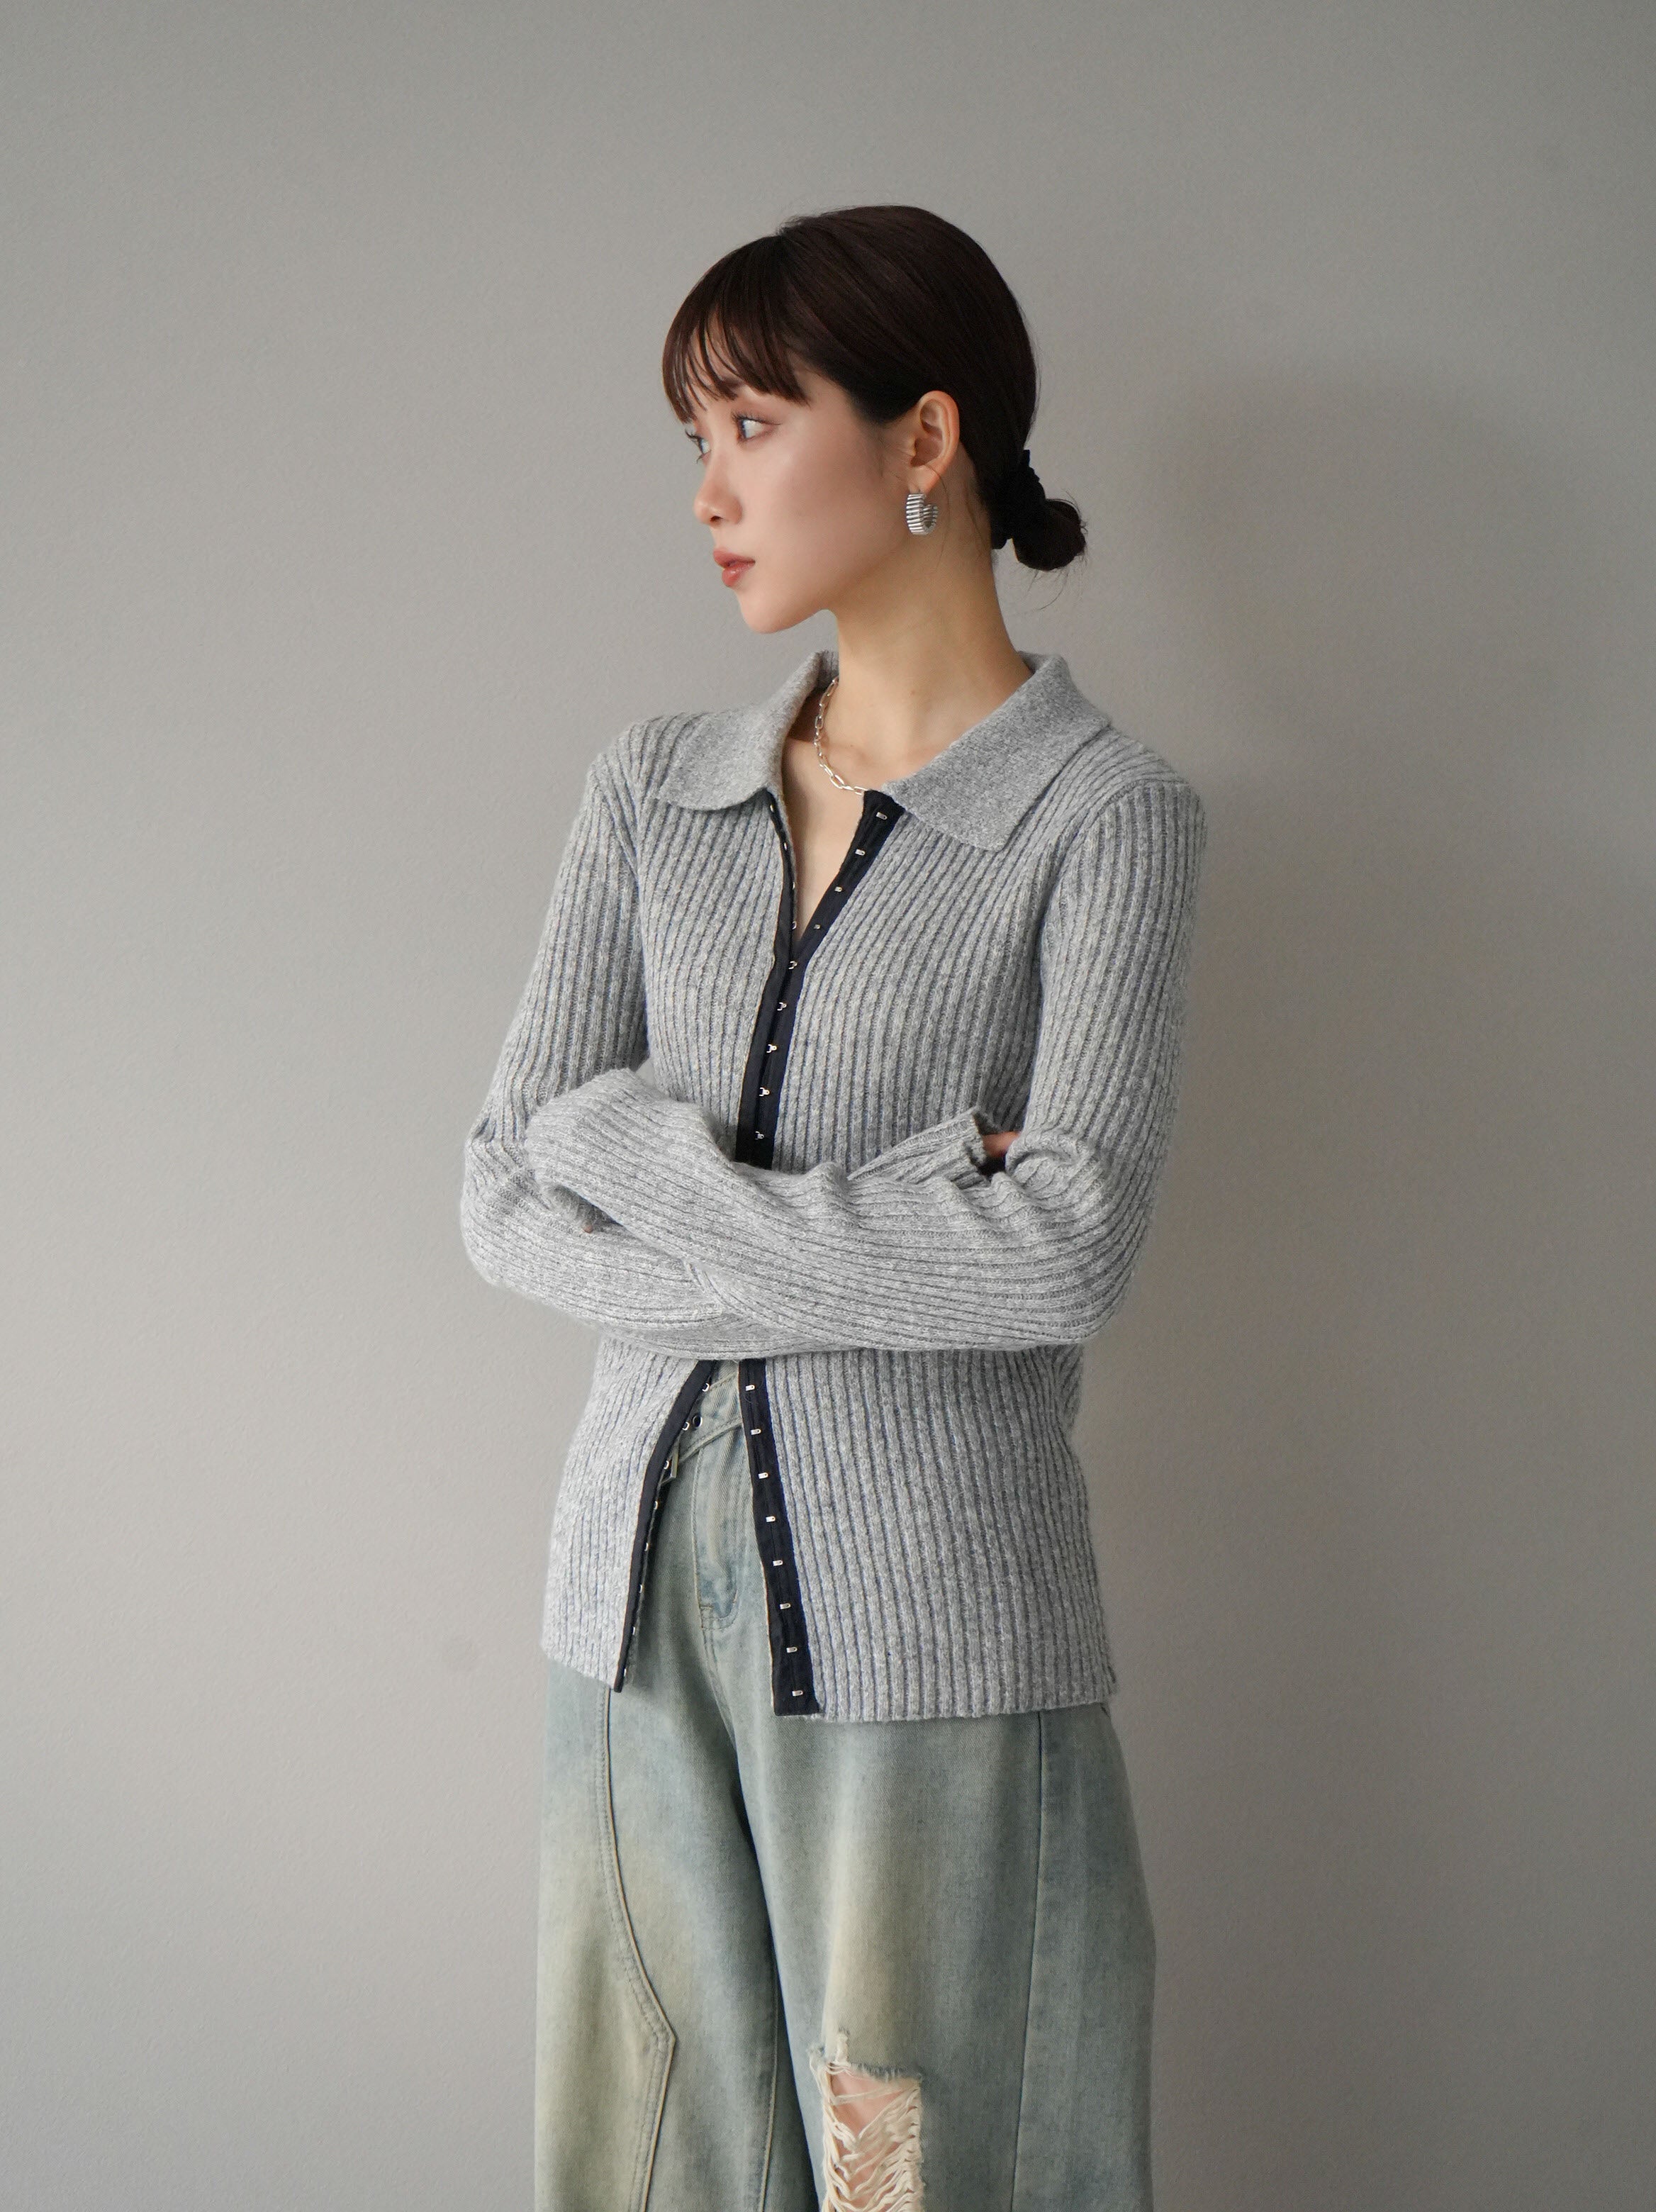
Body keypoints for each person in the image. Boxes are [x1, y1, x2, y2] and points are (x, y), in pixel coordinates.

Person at [460, 204, 1208, 2212]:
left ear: (922, 437)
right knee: (651, 2170)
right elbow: (501, 1191)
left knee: (934, 2169)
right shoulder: (652, 792)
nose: (707, 494)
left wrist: (641, 1159)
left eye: (750, 426)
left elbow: (1065, 1250)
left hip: (934, 1630)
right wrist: (897, 1211)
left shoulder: (1104, 819)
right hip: (624, 1618)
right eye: (693, 440)